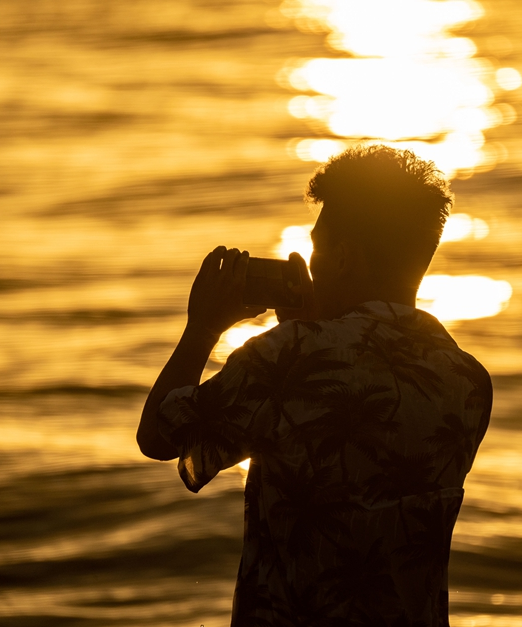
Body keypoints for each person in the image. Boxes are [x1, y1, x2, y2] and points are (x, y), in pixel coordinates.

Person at [136, 145, 493, 626]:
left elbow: (159, 436)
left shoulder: (287, 357)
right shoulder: (467, 380)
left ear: (343, 258)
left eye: (319, 251)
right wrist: (313, 330)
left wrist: (203, 329)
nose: (311, 266)